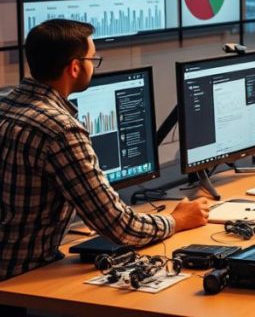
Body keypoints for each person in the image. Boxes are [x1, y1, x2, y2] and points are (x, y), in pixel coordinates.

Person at [0, 20, 209, 281]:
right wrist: (177, 220)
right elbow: (121, 227)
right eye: (93, 59)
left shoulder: (6, 104)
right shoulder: (60, 130)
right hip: (22, 278)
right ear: (74, 67)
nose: (94, 65)